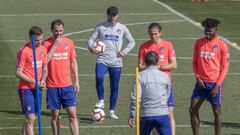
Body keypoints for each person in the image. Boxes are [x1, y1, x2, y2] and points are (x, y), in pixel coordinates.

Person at [88, 6, 135, 119]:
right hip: (102, 59)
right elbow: (91, 39)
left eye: (115, 15)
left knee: (114, 87)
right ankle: (101, 100)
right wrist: (91, 48)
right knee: (99, 77)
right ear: (107, 15)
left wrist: (124, 52)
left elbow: (132, 41)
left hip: (116, 62)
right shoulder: (100, 26)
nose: (113, 17)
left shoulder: (122, 28)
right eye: (111, 15)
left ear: (118, 15)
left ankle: (112, 111)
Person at [189, 18, 229, 135]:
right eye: (205, 31)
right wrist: (198, 78)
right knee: (192, 109)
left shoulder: (222, 45)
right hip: (200, 83)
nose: (207, 33)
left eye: (210, 31)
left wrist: (217, 85)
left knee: (216, 112)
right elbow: (195, 62)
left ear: (216, 30)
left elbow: (225, 67)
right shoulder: (198, 42)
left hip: (214, 83)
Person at [138, 22, 177, 135]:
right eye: (151, 34)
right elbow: (140, 66)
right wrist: (152, 68)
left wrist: (159, 67)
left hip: (165, 85)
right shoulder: (144, 47)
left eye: (155, 34)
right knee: (153, 115)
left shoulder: (168, 45)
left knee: (169, 115)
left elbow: (174, 64)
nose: (153, 36)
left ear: (160, 33)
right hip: (149, 86)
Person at [43, 19, 79, 135]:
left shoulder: (69, 42)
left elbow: (73, 62)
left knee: (72, 114)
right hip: (52, 86)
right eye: (56, 31)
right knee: (55, 115)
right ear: (52, 30)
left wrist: (76, 80)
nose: (59, 33)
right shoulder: (46, 44)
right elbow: (45, 61)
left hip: (67, 85)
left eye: (61, 31)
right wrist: (55, 45)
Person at [128, 51, 172, 135]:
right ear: (158, 61)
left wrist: (132, 115)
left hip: (146, 114)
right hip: (162, 114)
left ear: (144, 62)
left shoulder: (139, 76)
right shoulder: (165, 76)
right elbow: (167, 93)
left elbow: (136, 98)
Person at [16, 26, 48, 135]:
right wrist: (34, 82)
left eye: (41, 40)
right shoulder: (24, 51)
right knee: (30, 118)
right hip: (26, 89)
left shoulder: (43, 49)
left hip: (37, 88)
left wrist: (43, 80)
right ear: (30, 38)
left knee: (31, 118)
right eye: (37, 40)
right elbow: (18, 73)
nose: (39, 42)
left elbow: (44, 68)